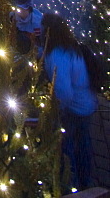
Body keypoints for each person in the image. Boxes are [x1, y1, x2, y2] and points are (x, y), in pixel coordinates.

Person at [41, 14, 98, 191]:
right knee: (83, 142)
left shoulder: (58, 56)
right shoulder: (70, 46)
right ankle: (85, 180)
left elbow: (64, 92)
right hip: (87, 104)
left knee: (66, 148)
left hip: (74, 108)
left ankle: (68, 184)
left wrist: (56, 110)